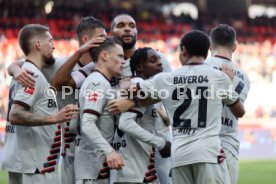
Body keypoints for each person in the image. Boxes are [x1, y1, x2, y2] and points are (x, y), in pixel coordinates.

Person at [108, 30, 246, 184]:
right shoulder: (219, 77)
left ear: (184, 50)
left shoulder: (166, 79)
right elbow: (239, 112)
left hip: (180, 154)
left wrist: (125, 81)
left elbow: (130, 90)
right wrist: (228, 85)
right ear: (207, 52)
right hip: (209, 152)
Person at [7, 16, 106, 184]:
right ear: (86, 40)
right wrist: (15, 69)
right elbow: (28, 62)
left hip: (98, 147)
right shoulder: (59, 64)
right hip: (66, 149)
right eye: (102, 37)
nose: (106, 41)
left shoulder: (109, 65)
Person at [2, 24, 79, 184]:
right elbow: (15, 114)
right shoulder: (32, 75)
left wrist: (14, 68)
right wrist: (54, 118)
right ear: (38, 44)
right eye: (50, 41)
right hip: (37, 165)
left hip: (24, 161)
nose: (54, 46)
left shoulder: (25, 71)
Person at [110, 14, 173, 184]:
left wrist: (132, 101)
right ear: (111, 32)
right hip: (126, 139)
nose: (127, 28)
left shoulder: (157, 60)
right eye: (121, 25)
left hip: (158, 131)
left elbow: (169, 90)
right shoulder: (111, 64)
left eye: (132, 25)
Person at [74, 37, 125, 184]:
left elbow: (74, 125)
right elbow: (88, 124)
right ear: (104, 56)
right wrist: (109, 151)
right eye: (120, 56)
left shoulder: (96, 80)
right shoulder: (98, 83)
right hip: (94, 169)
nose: (123, 61)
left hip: (92, 167)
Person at [205, 24, 251, 184]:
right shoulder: (244, 78)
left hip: (199, 140)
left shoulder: (199, 68)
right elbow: (237, 110)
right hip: (227, 144)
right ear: (235, 46)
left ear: (210, 46)